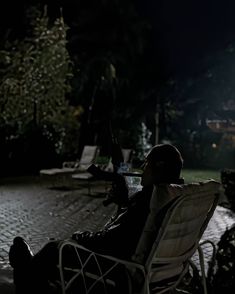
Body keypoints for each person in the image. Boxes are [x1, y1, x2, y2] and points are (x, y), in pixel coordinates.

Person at [9, 143, 184, 294]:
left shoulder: (148, 199)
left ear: (159, 166)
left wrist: (79, 237)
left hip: (116, 266)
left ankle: (27, 276)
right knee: (45, 257)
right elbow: (131, 229)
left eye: (146, 164)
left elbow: (110, 240)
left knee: (54, 248)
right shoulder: (175, 199)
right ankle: (31, 273)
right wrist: (124, 205)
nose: (143, 169)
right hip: (158, 268)